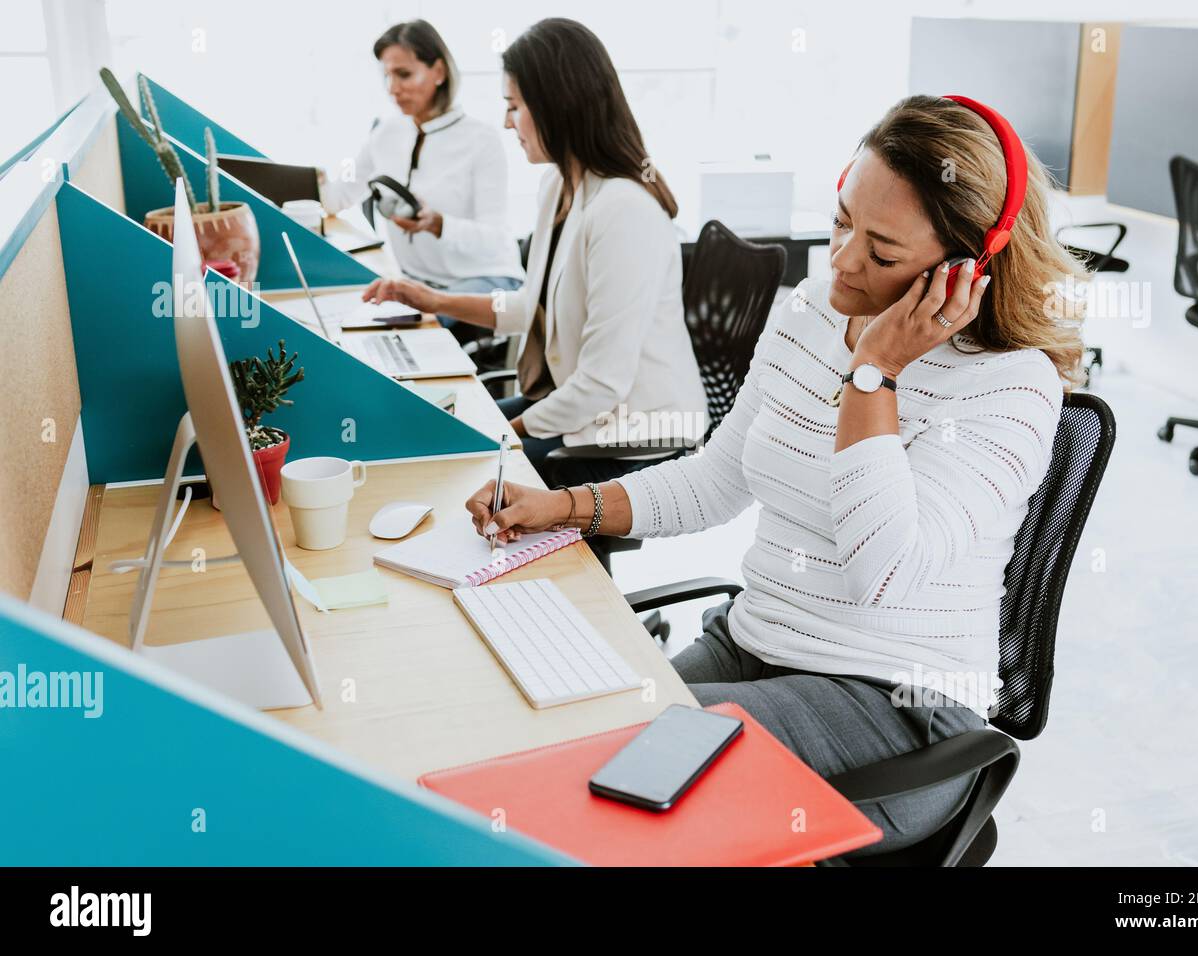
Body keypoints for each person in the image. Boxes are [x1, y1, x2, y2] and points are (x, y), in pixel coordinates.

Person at [462, 94, 1087, 855]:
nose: (843, 261)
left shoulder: (1010, 387)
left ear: (968, 269)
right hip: (757, 646)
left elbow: (881, 572)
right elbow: (717, 480)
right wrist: (561, 505)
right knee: (565, 723)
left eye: (883, 252)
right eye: (841, 220)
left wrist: (875, 374)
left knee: (609, 772)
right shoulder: (810, 312)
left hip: (897, 717)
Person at [362, 18, 709, 484]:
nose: (507, 122)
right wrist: (435, 300)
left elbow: (603, 384)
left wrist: (503, 434)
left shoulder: (624, 212)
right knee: (443, 435)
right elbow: (534, 305)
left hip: (639, 427)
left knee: (473, 467)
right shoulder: (559, 186)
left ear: (555, 108)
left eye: (514, 106)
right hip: (584, 406)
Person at [319, 19, 523, 338]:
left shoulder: (481, 140)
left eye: (404, 74)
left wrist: (439, 223)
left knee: (405, 333)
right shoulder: (386, 133)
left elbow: (496, 239)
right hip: (419, 280)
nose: (392, 88)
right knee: (359, 321)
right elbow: (336, 199)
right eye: (387, 75)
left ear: (439, 72)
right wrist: (308, 180)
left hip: (483, 280)